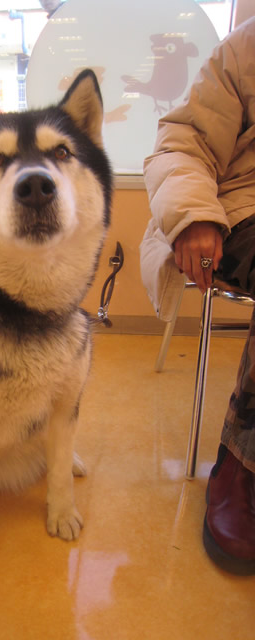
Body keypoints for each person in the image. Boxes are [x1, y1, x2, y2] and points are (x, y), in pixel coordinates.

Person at [141, 16, 255, 575]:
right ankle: (243, 460)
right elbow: (181, 144)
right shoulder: (246, 48)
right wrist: (194, 215)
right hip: (244, 207)